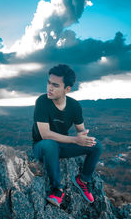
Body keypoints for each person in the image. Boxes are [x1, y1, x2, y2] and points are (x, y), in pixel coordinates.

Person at [32, 64, 102, 207]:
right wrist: (75, 140)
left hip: (60, 146)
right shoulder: (42, 101)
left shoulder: (74, 106)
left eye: (55, 85)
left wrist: (84, 138)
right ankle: (57, 189)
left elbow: (81, 130)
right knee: (50, 144)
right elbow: (45, 135)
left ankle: (83, 180)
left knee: (96, 146)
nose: (49, 88)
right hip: (41, 147)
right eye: (49, 83)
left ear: (67, 89)